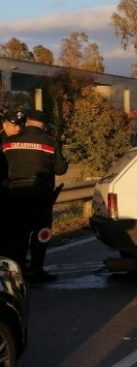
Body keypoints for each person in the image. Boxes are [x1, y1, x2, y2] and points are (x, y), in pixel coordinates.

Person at [2, 109, 69, 282]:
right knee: (41, 232)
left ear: (26, 122)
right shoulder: (51, 142)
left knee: (18, 233)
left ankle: (18, 272)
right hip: (41, 193)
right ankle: (37, 270)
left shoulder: (8, 142)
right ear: (44, 125)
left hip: (15, 193)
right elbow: (61, 169)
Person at [0, 110, 27, 262]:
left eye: (21, 125)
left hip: (15, 193)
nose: (17, 129)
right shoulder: (2, 142)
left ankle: (16, 260)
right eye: (14, 125)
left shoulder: (23, 141)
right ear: (4, 124)